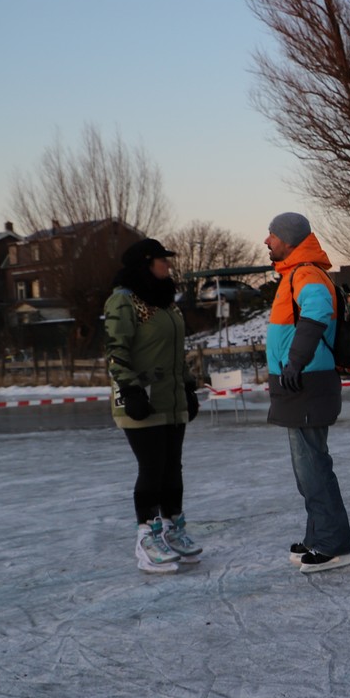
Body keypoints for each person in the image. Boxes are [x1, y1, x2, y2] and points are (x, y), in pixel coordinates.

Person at [104, 237, 202, 573]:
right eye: (163, 260)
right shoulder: (124, 301)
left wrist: (187, 386)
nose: (168, 265)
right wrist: (131, 390)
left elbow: (176, 351)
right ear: (145, 264)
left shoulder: (166, 302)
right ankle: (146, 537)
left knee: (172, 468)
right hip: (142, 400)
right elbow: (116, 351)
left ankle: (173, 529)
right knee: (152, 467)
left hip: (171, 399)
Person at [265, 212, 350, 574]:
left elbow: (317, 310)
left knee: (313, 468)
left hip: (305, 382)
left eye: (272, 235)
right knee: (308, 470)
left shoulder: (305, 274)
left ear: (288, 240)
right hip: (300, 384)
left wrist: (295, 362)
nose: (267, 240)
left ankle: (334, 546)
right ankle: (318, 535)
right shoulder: (296, 273)